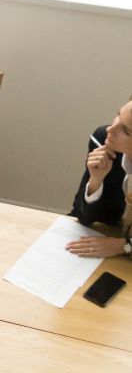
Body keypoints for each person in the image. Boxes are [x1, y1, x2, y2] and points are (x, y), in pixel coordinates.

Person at [67, 98, 132, 259]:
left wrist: (125, 245)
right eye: (118, 115)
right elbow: (82, 216)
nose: (111, 129)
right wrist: (96, 182)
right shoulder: (103, 139)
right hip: (105, 235)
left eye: (126, 130)